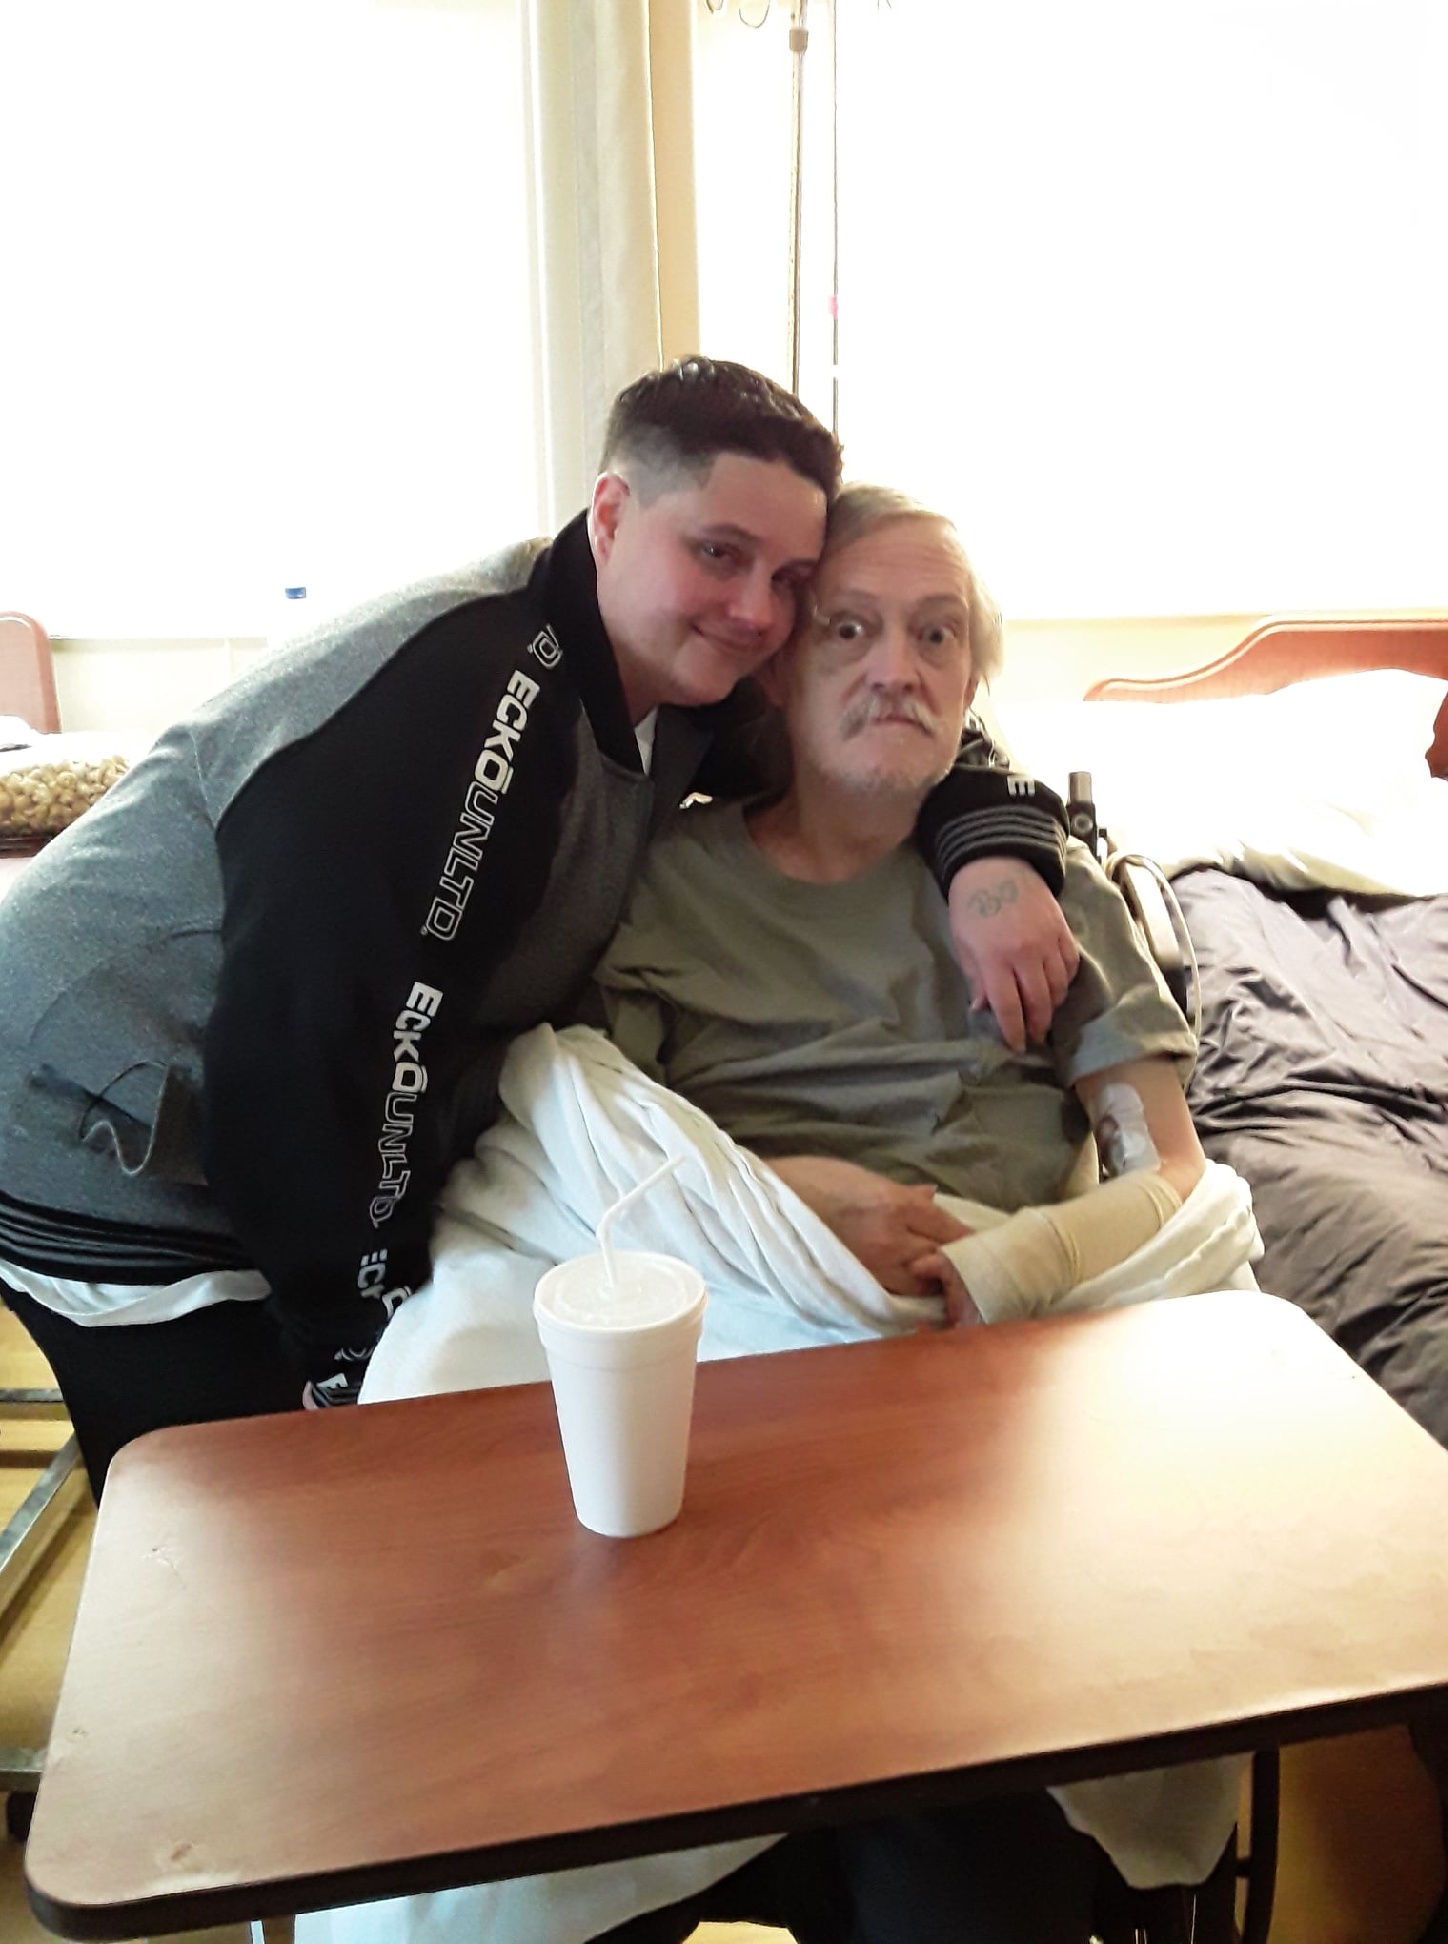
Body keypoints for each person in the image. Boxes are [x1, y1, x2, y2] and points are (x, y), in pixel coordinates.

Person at [325, 486, 1253, 1944]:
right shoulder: (665, 882)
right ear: (777, 673)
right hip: (730, 1394)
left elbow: (1173, 1185)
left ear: (972, 679)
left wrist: (1017, 1263)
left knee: (981, 1892)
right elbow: (588, 1139)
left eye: (937, 636)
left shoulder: (1047, 898)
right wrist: (779, 1203)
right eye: (850, 632)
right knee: (529, 1809)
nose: (899, 669)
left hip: (977, 1403)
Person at [0, 360, 1077, 1491]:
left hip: (304, 1117)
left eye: (790, 580)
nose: (758, 612)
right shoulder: (463, 704)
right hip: (110, 1125)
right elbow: (316, 1062)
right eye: (718, 553)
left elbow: (887, 724)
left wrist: (991, 851)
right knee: (262, 1521)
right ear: (609, 514)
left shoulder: (690, 677)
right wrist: (353, 1352)